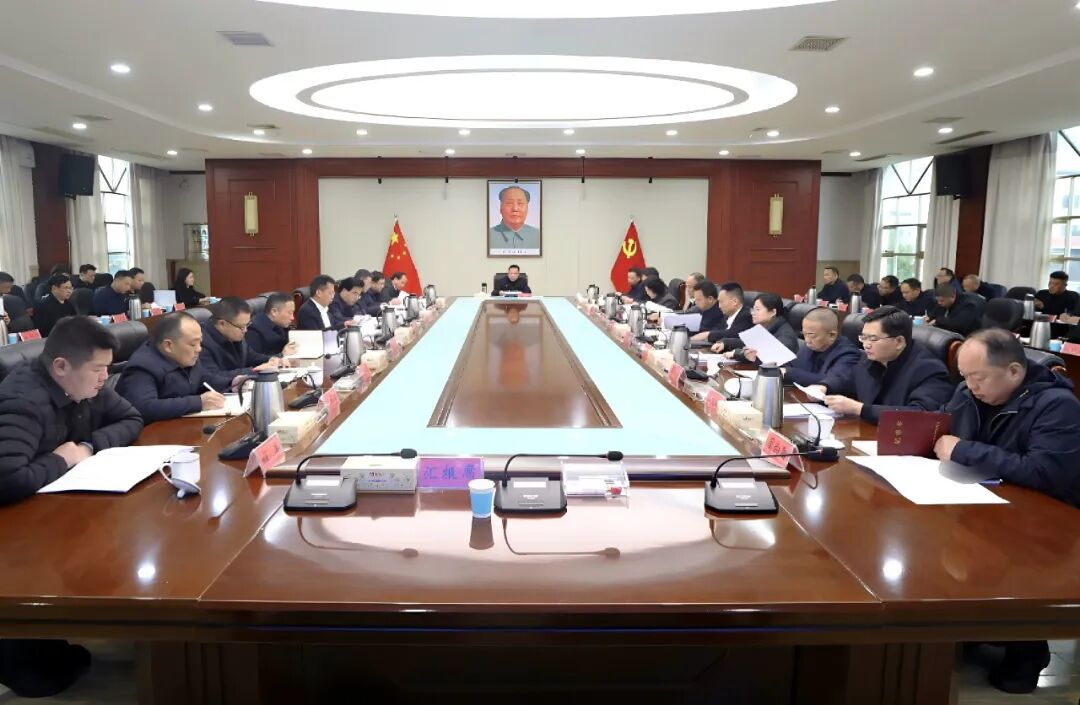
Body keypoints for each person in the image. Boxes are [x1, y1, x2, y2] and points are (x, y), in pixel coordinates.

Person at [935, 329, 1080, 694]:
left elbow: (1044, 473)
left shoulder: (1058, 405)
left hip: (1043, 520)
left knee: (1001, 558)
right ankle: (981, 626)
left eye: (978, 378)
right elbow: (945, 426)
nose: (970, 386)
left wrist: (963, 451)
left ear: (1014, 371)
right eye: (965, 376)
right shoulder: (967, 392)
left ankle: (1027, 648)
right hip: (982, 499)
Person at [817, 306, 953, 424]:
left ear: (899, 342)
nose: (866, 344)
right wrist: (825, 387)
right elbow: (849, 379)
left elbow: (920, 414)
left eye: (873, 338)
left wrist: (860, 409)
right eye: (863, 337)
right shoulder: (873, 359)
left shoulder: (929, 370)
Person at [116, 312, 240, 424]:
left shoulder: (184, 356)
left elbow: (204, 379)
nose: (199, 349)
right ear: (168, 345)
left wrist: (232, 383)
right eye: (193, 344)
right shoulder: (142, 367)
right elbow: (144, 407)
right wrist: (198, 402)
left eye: (200, 342)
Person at [199, 297, 283, 378]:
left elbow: (251, 356)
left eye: (247, 325)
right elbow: (213, 377)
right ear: (222, 324)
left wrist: (273, 359)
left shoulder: (236, 332)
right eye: (241, 327)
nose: (245, 330)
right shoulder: (201, 342)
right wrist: (253, 370)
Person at [783, 307, 861, 390]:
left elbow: (831, 381)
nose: (807, 340)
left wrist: (788, 372)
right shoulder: (808, 346)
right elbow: (792, 365)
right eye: (804, 334)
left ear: (832, 335)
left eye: (812, 335)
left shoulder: (848, 353)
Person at [723, 293, 799, 363]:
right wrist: (725, 343)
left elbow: (772, 358)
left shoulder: (786, 335)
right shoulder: (765, 327)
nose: (753, 313)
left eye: (757, 309)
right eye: (753, 309)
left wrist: (738, 354)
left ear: (773, 312)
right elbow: (749, 343)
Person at [699, 281, 752, 347]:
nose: (719, 306)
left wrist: (708, 335)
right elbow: (716, 330)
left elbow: (733, 334)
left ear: (735, 302)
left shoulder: (747, 316)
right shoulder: (726, 316)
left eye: (721, 302)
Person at [488, 185, 540, 253]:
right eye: (509, 203)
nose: (515, 209)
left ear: (527, 208)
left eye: (520, 203)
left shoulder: (538, 235)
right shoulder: (488, 236)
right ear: (501, 208)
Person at [246, 292, 297, 358]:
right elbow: (254, 360)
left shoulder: (280, 324)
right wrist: (281, 355)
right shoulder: (254, 330)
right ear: (274, 312)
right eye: (290, 313)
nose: (292, 318)